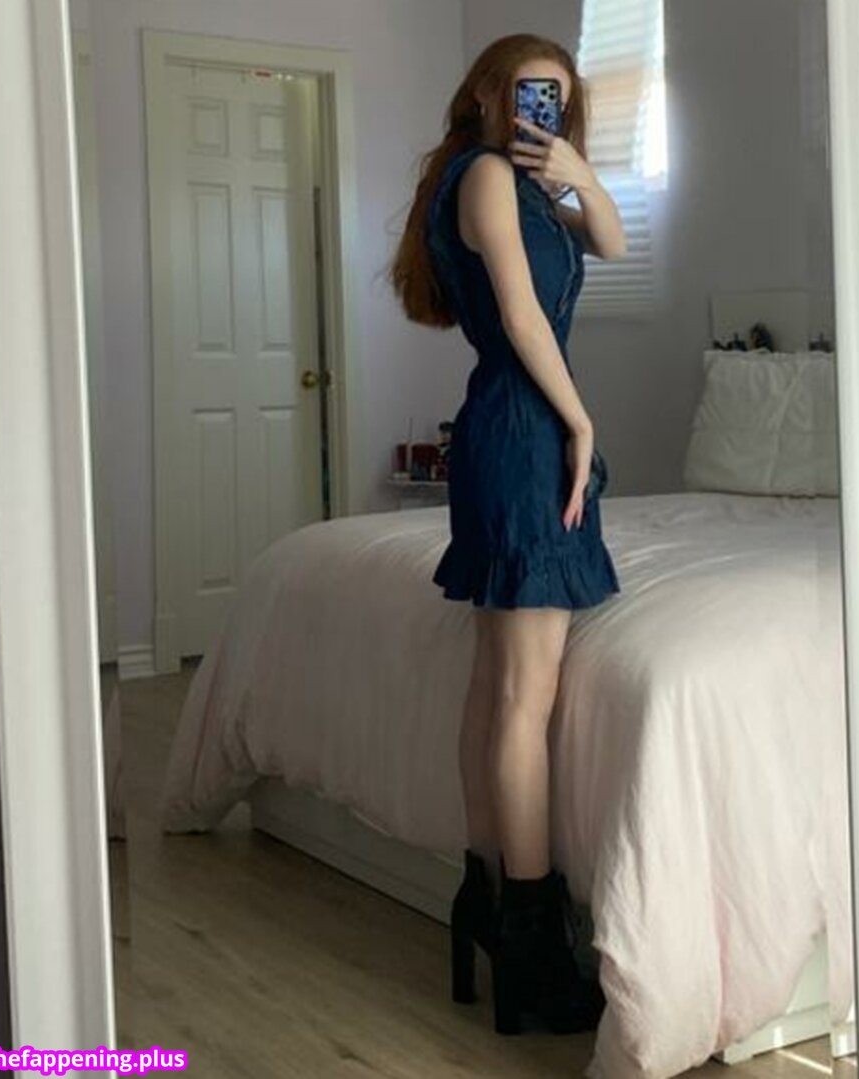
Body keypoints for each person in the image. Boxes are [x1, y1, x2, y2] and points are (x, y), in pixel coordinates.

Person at [388, 32, 625, 1036]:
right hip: (525, 430)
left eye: (557, 100)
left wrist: (580, 175)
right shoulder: (486, 178)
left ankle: (486, 898)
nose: (542, 112)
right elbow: (526, 320)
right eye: (530, 93)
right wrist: (580, 423)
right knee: (525, 696)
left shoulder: (524, 188)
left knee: (497, 687)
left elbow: (612, 242)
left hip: (510, 427)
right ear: (486, 92)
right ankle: (531, 948)